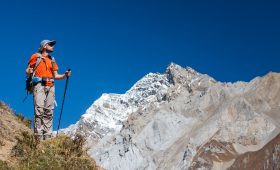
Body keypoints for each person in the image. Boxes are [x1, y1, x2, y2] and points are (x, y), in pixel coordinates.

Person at [25, 40, 71, 140]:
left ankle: (48, 138)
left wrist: (65, 75)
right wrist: (29, 71)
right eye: (50, 44)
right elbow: (27, 71)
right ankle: (38, 138)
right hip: (39, 86)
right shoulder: (35, 56)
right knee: (39, 110)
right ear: (44, 46)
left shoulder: (52, 60)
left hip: (51, 86)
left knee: (49, 112)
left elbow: (56, 75)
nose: (53, 46)